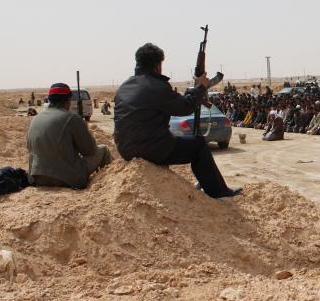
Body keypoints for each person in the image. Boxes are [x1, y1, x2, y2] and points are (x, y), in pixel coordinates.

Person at [113, 43, 241, 198]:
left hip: (125, 149)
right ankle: (219, 192)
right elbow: (185, 107)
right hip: (150, 149)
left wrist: (195, 91)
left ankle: (205, 182)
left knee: (177, 140)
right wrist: (201, 87)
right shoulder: (157, 86)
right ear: (158, 65)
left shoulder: (124, 87)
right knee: (199, 145)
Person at [27, 83, 111, 188]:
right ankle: (108, 188)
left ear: (49, 100)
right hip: (65, 179)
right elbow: (90, 150)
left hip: (37, 178)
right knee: (104, 150)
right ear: (68, 101)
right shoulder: (72, 118)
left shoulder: (35, 119)